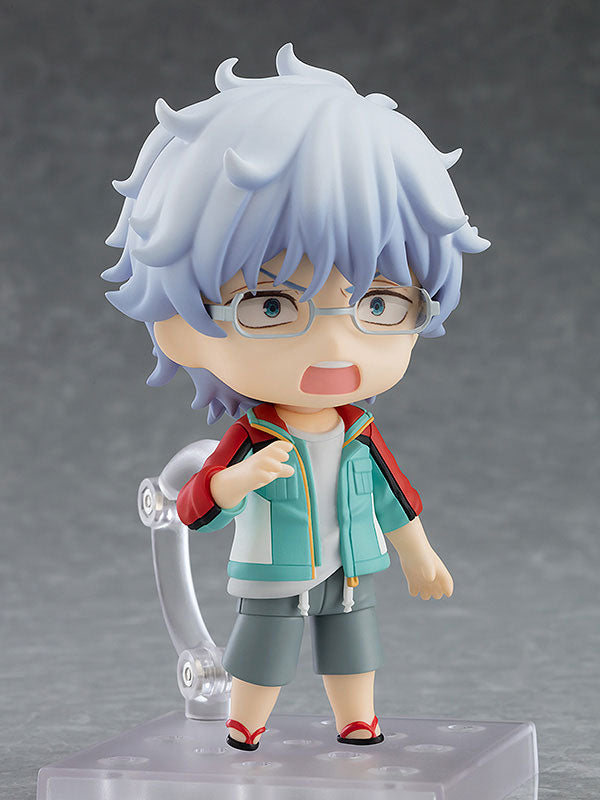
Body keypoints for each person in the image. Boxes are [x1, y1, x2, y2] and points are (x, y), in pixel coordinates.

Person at [103, 43, 489, 750]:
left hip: (350, 567)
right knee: (264, 644)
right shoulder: (253, 438)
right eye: (273, 306)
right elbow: (194, 509)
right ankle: (246, 721)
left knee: (353, 642)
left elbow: (392, 499)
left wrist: (418, 553)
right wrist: (237, 480)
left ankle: (357, 718)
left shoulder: (360, 433)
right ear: (180, 327)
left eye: (378, 304)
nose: (337, 346)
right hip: (271, 570)